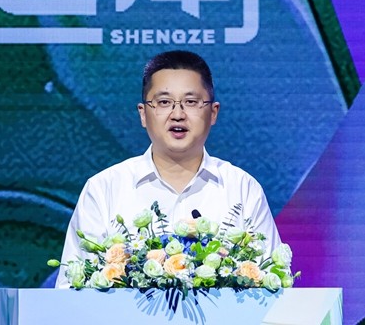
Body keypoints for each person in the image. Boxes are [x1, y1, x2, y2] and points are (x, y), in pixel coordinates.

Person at [55, 50, 282, 288]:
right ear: (143, 114)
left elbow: (274, 287)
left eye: (191, 102)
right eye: (164, 102)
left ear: (213, 112)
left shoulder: (243, 189)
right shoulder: (104, 189)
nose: (178, 115)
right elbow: (70, 289)